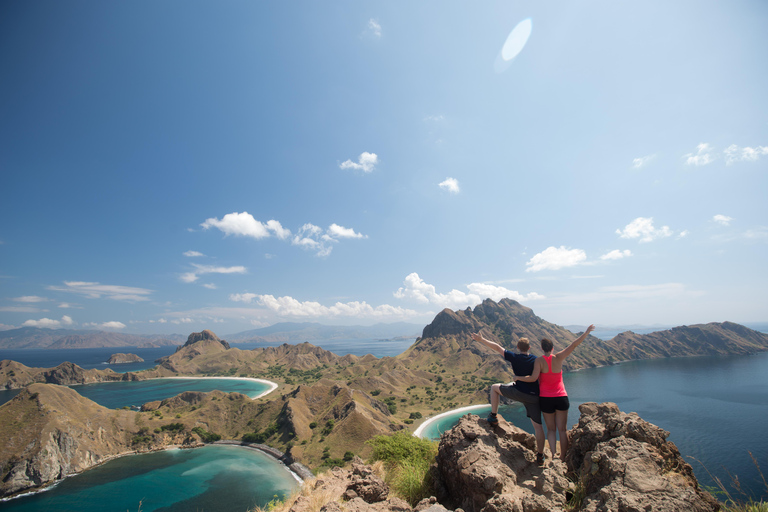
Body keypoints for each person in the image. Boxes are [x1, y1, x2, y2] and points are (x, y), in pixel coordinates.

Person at [514, 324, 596, 462]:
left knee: (551, 430)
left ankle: (553, 456)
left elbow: (533, 378)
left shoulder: (538, 361)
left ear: (541, 348)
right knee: (562, 430)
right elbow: (574, 344)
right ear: (552, 348)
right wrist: (586, 332)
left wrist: (518, 378)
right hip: (561, 397)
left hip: (546, 399)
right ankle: (563, 457)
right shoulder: (559, 357)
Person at [470, 331, 546, 465]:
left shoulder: (514, 357)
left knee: (494, 387)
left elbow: (497, 347)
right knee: (538, 428)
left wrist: (481, 340)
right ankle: (540, 456)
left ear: (517, 347)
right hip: (534, 397)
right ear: (529, 348)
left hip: (517, 392)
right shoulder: (536, 359)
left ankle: (493, 416)